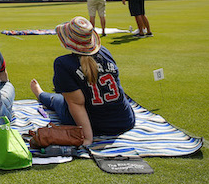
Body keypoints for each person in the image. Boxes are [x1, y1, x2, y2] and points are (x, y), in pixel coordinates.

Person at [30, 16, 135, 146]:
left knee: (58, 100)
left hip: (94, 125)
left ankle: (40, 94)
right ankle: (42, 94)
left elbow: (77, 104)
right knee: (67, 98)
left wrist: (87, 138)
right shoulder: (105, 52)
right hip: (125, 120)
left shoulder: (63, 63)